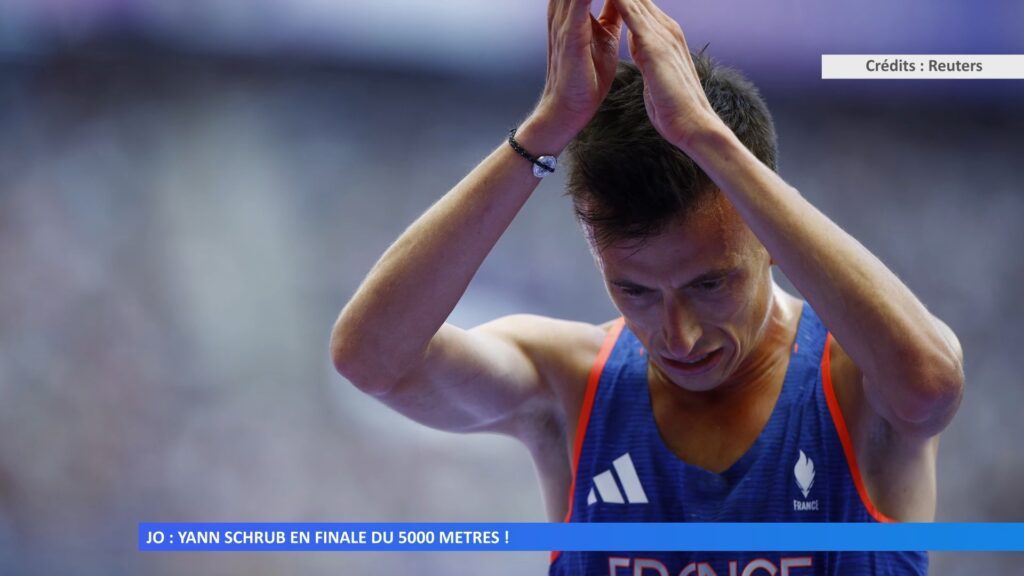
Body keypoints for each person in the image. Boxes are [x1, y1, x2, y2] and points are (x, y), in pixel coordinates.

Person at [330, 0, 964, 573]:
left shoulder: (856, 383)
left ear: (771, 239)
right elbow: (372, 358)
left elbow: (931, 384)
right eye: (635, 292)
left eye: (709, 283)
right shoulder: (571, 384)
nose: (678, 335)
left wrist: (709, 139)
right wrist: (547, 128)